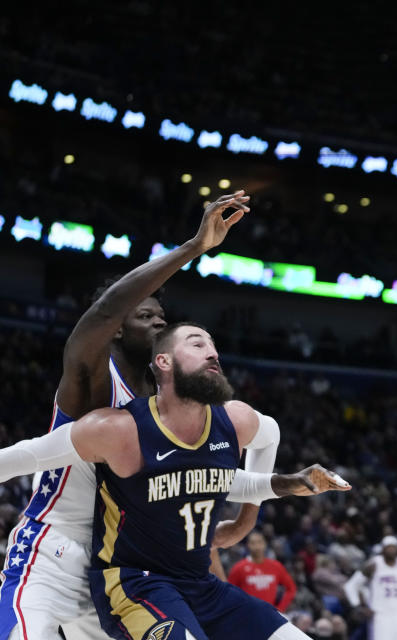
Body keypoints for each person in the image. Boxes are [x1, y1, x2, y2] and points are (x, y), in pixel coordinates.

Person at [0, 192, 338, 640]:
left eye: (163, 317)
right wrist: (193, 248)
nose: (159, 323)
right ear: (118, 326)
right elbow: (103, 311)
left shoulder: (169, 403)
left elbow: (205, 473)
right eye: (145, 315)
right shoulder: (94, 382)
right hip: (55, 550)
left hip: (122, 565)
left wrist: (259, 504)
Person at [0, 322, 352, 639]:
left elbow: (269, 436)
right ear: (164, 362)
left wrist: (246, 521)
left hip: (200, 585)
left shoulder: (234, 419)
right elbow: (26, 457)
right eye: (197, 344)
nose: (213, 352)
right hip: (135, 584)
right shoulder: (121, 430)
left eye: (213, 345)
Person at [343, 536, 397, 640]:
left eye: (394, 547)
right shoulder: (373, 565)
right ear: (382, 549)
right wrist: (357, 606)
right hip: (380, 614)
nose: (391, 550)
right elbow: (350, 586)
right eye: (388, 547)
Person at [228, 531, 297, 612]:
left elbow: (291, 588)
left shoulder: (276, 566)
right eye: (253, 543)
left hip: (270, 614)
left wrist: (280, 608)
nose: (257, 546)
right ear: (248, 545)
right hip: (247, 614)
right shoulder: (239, 568)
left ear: (265, 544)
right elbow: (229, 593)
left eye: (259, 542)